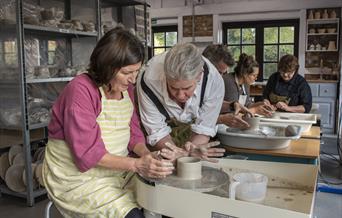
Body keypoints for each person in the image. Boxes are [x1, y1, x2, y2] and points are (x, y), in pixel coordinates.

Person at [42, 27, 174, 218]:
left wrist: (147, 155)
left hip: (116, 172)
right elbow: (87, 154)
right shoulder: (81, 91)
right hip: (77, 179)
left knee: (161, 201)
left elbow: (133, 133)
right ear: (107, 66)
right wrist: (138, 165)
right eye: (127, 72)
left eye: (137, 71)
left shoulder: (125, 89)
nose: (134, 79)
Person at [137, 43, 225, 161]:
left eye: (187, 88)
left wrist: (192, 149)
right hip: (162, 129)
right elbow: (157, 131)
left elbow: (204, 127)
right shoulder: (148, 80)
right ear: (165, 76)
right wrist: (177, 153)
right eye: (173, 88)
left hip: (193, 127)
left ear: (199, 75)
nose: (180, 95)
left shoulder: (214, 82)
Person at [203, 45, 252, 129]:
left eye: (223, 73)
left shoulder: (215, 82)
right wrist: (221, 119)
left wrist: (232, 105)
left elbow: (211, 104)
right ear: (205, 64)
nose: (221, 77)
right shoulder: (191, 84)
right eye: (218, 72)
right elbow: (191, 120)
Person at [222, 53, 274, 118]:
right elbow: (234, 112)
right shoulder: (228, 81)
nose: (256, 78)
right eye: (254, 75)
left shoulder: (246, 84)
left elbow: (247, 105)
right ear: (245, 73)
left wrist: (261, 104)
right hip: (223, 122)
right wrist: (255, 110)